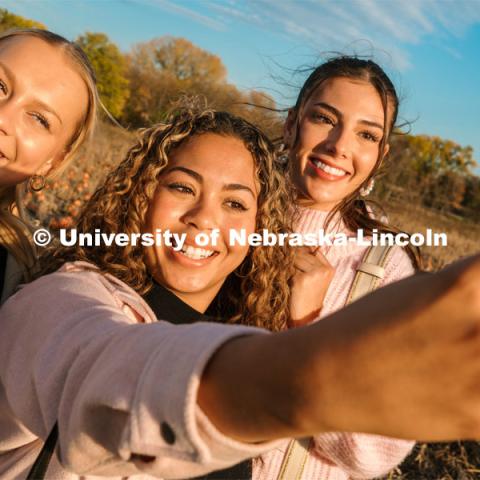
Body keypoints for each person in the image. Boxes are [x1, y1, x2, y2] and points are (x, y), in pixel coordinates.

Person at [2, 108, 480, 479]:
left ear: (258, 229)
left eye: (234, 202)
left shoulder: (239, 329)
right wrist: (306, 379)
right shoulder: (67, 297)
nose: (205, 219)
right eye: (182, 187)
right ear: (140, 195)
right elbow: (102, 370)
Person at [252, 56, 421, 478]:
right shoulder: (229, 219)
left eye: (366, 134)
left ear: (380, 156)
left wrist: (305, 330)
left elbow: (375, 450)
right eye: (325, 118)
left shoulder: (384, 271)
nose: (340, 145)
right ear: (292, 124)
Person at [0, 28, 99, 302]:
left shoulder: (16, 285)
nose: (2, 118)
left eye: (39, 119)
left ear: (51, 163)